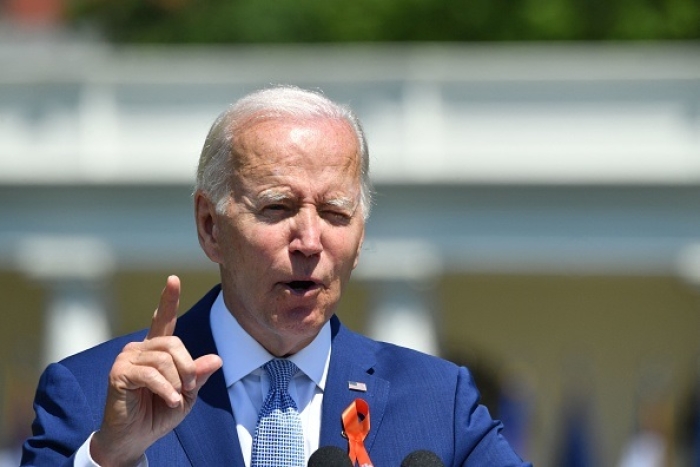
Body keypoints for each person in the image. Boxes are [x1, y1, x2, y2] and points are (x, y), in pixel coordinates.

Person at [21, 86, 531, 466]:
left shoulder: (438, 401)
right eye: (278, 207)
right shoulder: (92, 395)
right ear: (210, 226)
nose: (309, 241)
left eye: (335, 212)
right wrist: (109, 456)